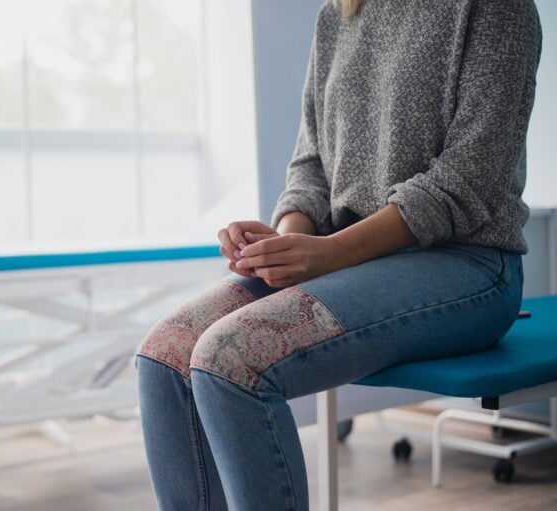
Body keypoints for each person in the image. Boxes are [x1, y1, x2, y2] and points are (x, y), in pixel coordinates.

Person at [134, 0, 542, 509]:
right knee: (164, 354)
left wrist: (329, 254)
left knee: (230, 359)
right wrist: (284, 243)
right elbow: (311, 166)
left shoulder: (494, 8)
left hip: (468, 266)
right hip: (349, 260)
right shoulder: (339, 13)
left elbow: (468, 178)